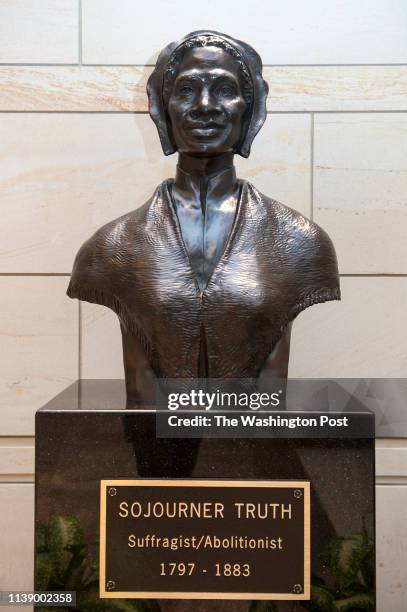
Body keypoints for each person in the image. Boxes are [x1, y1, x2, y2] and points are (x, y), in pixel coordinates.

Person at [67, 31, 340, 400]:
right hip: (151, 449)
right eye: (187, 90)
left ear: (251, 109)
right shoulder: (111, 248)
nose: (206, 105)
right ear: (163, 109)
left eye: (224, 90)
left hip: (259, 449)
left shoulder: (301, 243)